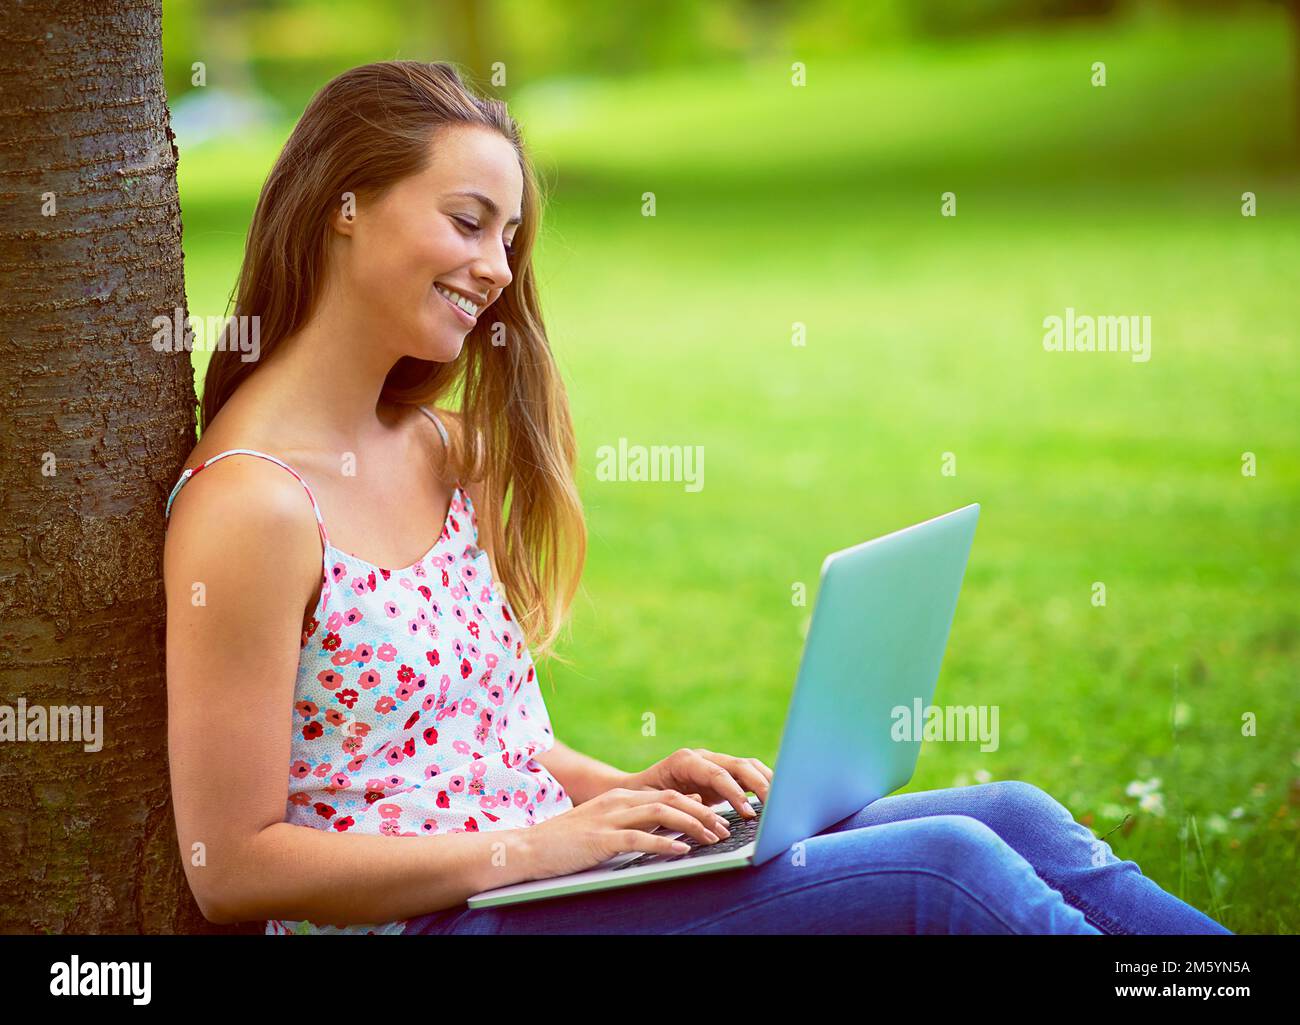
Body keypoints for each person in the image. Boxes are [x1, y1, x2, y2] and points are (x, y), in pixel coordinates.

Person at [163, 61, 1229, 936]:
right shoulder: (253, 505)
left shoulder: (445, 451)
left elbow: (484, 743)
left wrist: (628, 789)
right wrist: (530, 850)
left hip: (548, 880)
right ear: (345, 204)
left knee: (1011, 812)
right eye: (468, 220)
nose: (495, 268)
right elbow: (235, 867)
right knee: (942, 871)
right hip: (457, 920)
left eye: (509, 237)